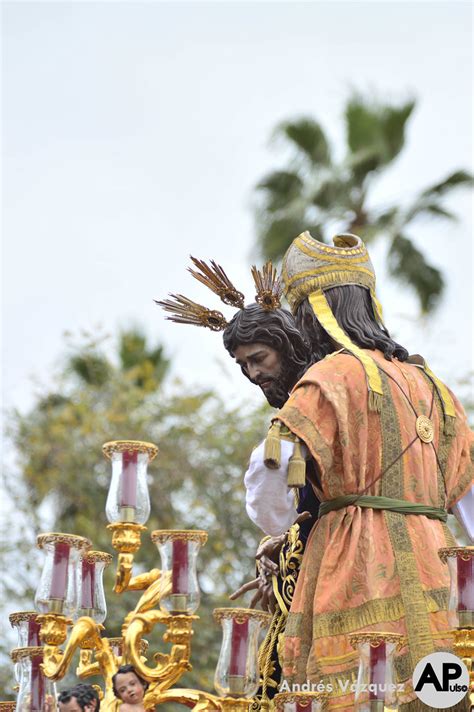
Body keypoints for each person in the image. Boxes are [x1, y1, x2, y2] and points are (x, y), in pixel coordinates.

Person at [246, 231, 473, 711]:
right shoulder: (435, 386)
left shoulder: (329, 377)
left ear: (313, 315)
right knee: (440, 697)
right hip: (440, 569)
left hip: (351, 562)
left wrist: (279, 529)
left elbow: (272, 476)